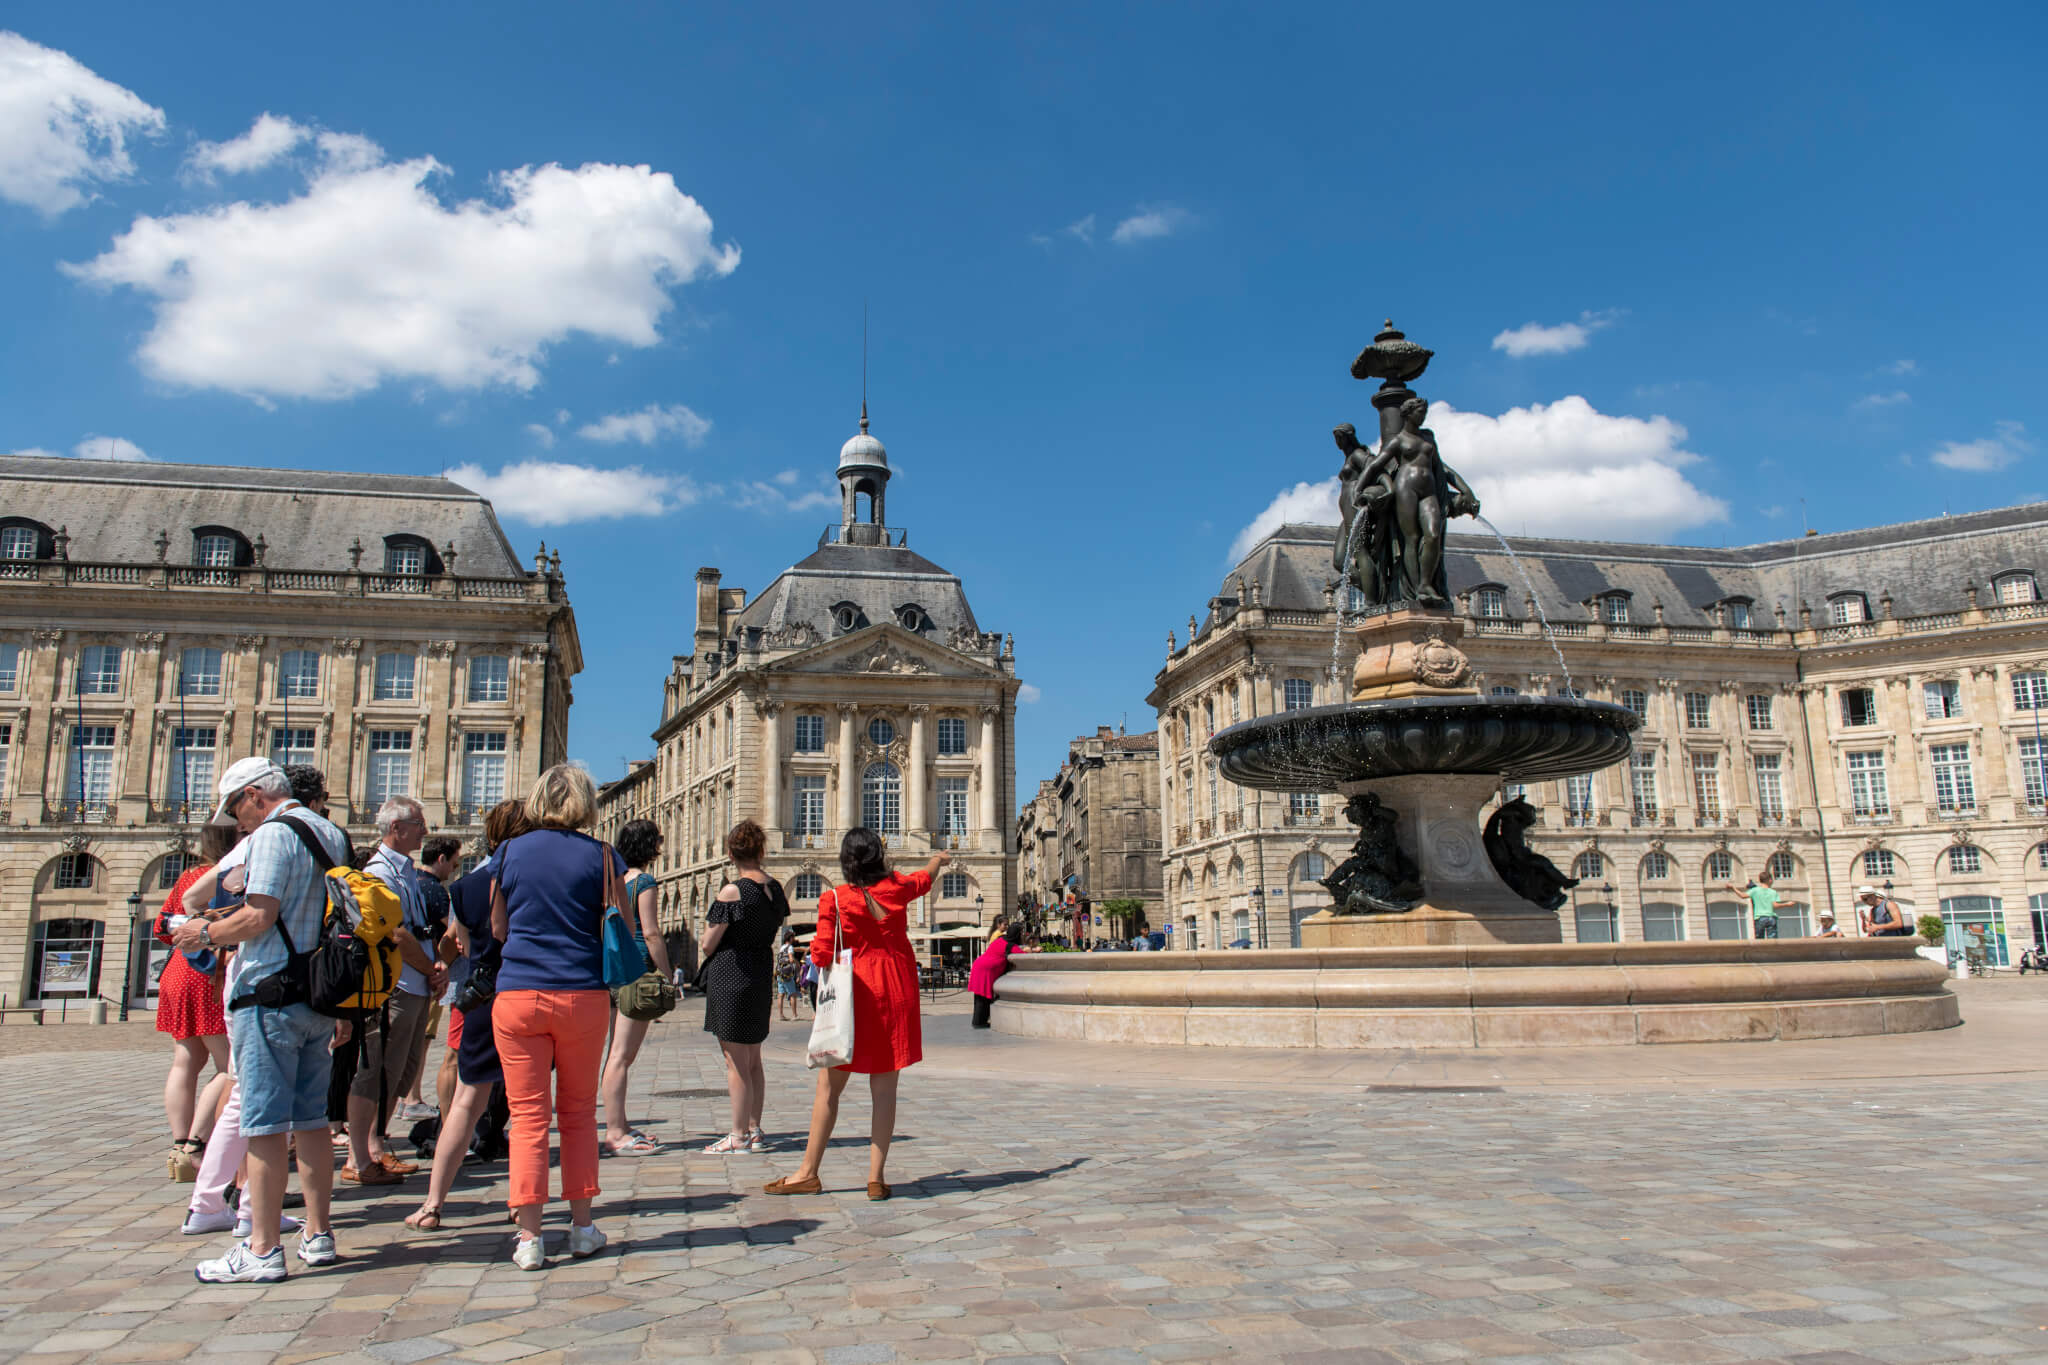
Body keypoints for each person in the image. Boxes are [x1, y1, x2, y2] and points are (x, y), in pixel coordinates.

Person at [171, 758, 349, 1283]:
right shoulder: (331, 833)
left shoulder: (274, 834)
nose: (235, 822)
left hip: (270, 994)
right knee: (313, 1120)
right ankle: (318, 1234)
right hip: (319, 993)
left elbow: (260, 915)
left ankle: (263, 1248)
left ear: (254, 795)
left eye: (234, 809)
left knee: (266, 1124)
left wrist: (200, 933)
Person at [765, 829, 947, 1201]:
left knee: (829, 1090)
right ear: (879, 856)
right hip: (896, 989)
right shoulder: (897, 887)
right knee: (884, 1091)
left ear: (846, 861)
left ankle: (808, 1172)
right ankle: (875, 1179)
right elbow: (924, 879)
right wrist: (938, 860)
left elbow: (819, 954)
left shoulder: (835, 898)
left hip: (855, 995)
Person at [492, 765, 621, 1270]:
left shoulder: (508, 853)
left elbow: (498, 927)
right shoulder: (603, 856)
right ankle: (583, 1227)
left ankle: (529, 1239)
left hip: (518, 993)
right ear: (587, 805)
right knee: (577, 1113)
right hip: (582, 995)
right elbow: (621, 924)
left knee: (526, 1118)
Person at [406, 799, 527, 1233]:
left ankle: (433, 1203)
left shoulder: (467, 886)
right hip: (527, 994)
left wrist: (443, 959)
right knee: (528, 1107)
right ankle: (521, 1202)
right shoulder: (535, 879)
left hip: (483, 995)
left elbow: (454, 944)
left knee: (465, 1102)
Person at [343, 797, 445, 1186]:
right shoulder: (379, 872)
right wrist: (429, 967)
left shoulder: (407, 870)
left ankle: (375, 1144)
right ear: (396, 828)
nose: (425, 830)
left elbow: (419, 928)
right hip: (395, 984)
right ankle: (362, 1153)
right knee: (378, 1070)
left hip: (417, 981)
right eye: (418, 823)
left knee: (401, 1072)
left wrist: (436, 968)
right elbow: (395, 933)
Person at [700, 819, 789, 1155]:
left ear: (731, 853)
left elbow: (709, 944)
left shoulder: (733, 891)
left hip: (732, 975)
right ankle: (754, 1128)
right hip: (759, 975)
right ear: (761, 851)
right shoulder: (775, 888)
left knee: (735, 1062)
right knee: (753, 1058)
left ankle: (737, 1135)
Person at [156, 822, 238, 1180]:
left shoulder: (189, 876)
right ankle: (196, 1145)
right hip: (210, 972)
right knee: (229, 1065)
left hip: (177, 970)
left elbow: (162, 927)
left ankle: (177, 1145)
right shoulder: (230, 876)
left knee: (185, 1060)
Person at [601, 818, 671, 1157]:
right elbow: (652, 932)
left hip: (610, 970)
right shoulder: (643, 881)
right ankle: (615, 1131)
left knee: (613, 1053)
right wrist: (668, 974)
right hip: (637, 970)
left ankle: (620, 1123)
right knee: (622, 1056)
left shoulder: (612, 880)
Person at [399, 834, 462, 1123]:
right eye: (453, 862)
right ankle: (412, 1098)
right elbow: (446, 936)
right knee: (422, 1040)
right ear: (441, 859)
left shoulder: (411, 883)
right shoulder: (436, 892)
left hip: (405, 972)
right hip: (429, 971)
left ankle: (406, 1097)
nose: (455, 868)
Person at [969, 924, 1022, 1029]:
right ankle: (979, 1022)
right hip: (985, 970)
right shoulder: (1011, 946)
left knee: (979, 997)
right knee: (983, 998)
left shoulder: (1001, 939)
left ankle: (978, 1021)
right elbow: (1022, 954)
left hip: (980, 965)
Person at [1724, 870, 1789, 940]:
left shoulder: (1755, 890)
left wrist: (1733, 888)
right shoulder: (1773, 892)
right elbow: (1775, 905)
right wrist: (1787, 904)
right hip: (1771, 917)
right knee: (1773, 940)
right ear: (1770, 880)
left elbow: (1742, 896)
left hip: (1759, 918)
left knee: (1759, 940)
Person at [774, 928, 802, 1021]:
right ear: (790, 938)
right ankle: (794, 1015)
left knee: (780, 994)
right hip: (787, 974)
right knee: (792, 994)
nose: (794, 939)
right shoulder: (789, 947)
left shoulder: (782, 947)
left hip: (780, 973)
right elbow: (791, 959)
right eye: (793, 937)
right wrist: (797, 963)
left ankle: (781, 1015)